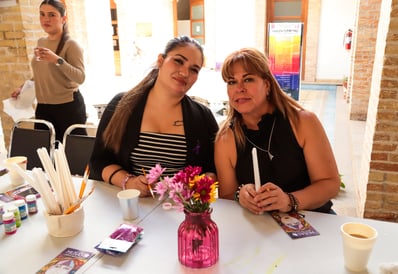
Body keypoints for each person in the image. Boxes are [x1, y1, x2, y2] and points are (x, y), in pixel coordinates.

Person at [214, 48, 340, 214]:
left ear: (267, 85)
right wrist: (241, 195)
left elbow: (330, 184)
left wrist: (290, 201)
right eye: (232, 82)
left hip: (312, 220)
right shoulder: (226, 138)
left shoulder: (303, 122)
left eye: (248, 79)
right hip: (258, 227)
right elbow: (227, 194)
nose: (239, 88)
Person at [90, 36, 218, 196]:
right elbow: (98, 162)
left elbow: (214, 169)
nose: (185, 72)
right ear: (160, 60)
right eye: (178, 61)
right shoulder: (121, 105)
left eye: (194, 69)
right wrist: (128, 182)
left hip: (181, 213)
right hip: (132, 208)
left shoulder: (203, 117)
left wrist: (197, 185)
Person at [11, 0, 86, 142]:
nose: (46, 19)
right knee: (44, 153)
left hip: (68, 107)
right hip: (43, 108)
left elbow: (80, 77)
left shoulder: (71, 45)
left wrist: (57, 60)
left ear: (63, 19)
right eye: (42, 14)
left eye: (52, 15)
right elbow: (42, 73)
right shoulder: (41, 42)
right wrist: (22, 88)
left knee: (71, 156)